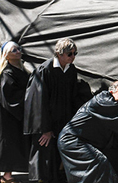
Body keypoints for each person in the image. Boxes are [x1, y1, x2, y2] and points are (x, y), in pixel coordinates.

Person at [58, 81, 118, 183]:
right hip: (72, 141)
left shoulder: (112, 111)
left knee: (112, 163)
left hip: (83, 142)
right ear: (111, 92)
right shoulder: (102, 100)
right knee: (98, 163)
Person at [24, 38, 86, 183]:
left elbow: (73, 96)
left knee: (59, 152)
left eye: (74, 53)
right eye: (70, 54)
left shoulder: (71, 70)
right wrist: (45, 128)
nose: (73, 57)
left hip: (63, 119)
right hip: (46, 119)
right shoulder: (44, 70)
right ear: (59, 53)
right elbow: (37, 101)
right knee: (44, 152)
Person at [0, 41, 30, 183]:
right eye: (14, 50)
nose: (18, 51)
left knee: (13, 144)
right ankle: (7, 175)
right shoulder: (7, 73)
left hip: (15, 114)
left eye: (18, 49)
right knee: (7, 144)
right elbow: (10, 97)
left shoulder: (22, 70)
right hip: (7, 115)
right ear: (6, 55)